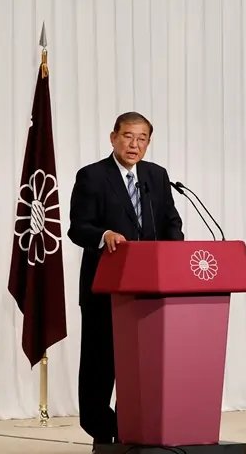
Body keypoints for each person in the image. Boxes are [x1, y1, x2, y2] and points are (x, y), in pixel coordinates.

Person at [68, 112, 184, 449]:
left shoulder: (157, 176)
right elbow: (78, 228)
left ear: (149, 142)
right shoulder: (92, 176)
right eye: (128, 136)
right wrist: (104, 234)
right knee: (100, 362)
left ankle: (135, 425)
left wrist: (173, 253)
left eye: (142, 138)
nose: (134, 144)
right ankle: (100, 428)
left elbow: (170, 222)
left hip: (149, 290)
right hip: (105, 288)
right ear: (113, 137)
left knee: (142, 363)